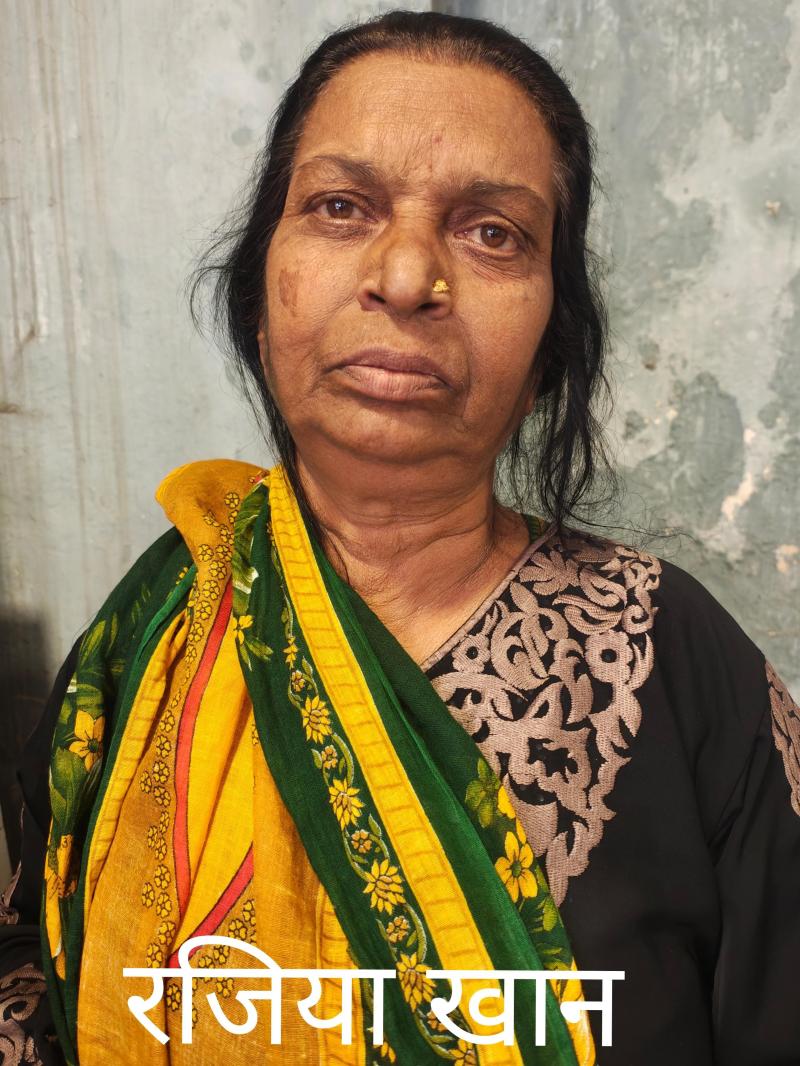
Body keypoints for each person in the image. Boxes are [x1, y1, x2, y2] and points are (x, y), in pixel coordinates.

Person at [1, 9, 798, 1065]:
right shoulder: (143, 652)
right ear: (259, 291)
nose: (408, 276)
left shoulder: (674, 661)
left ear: (551, 339)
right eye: (341, 208)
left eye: (492, 232)